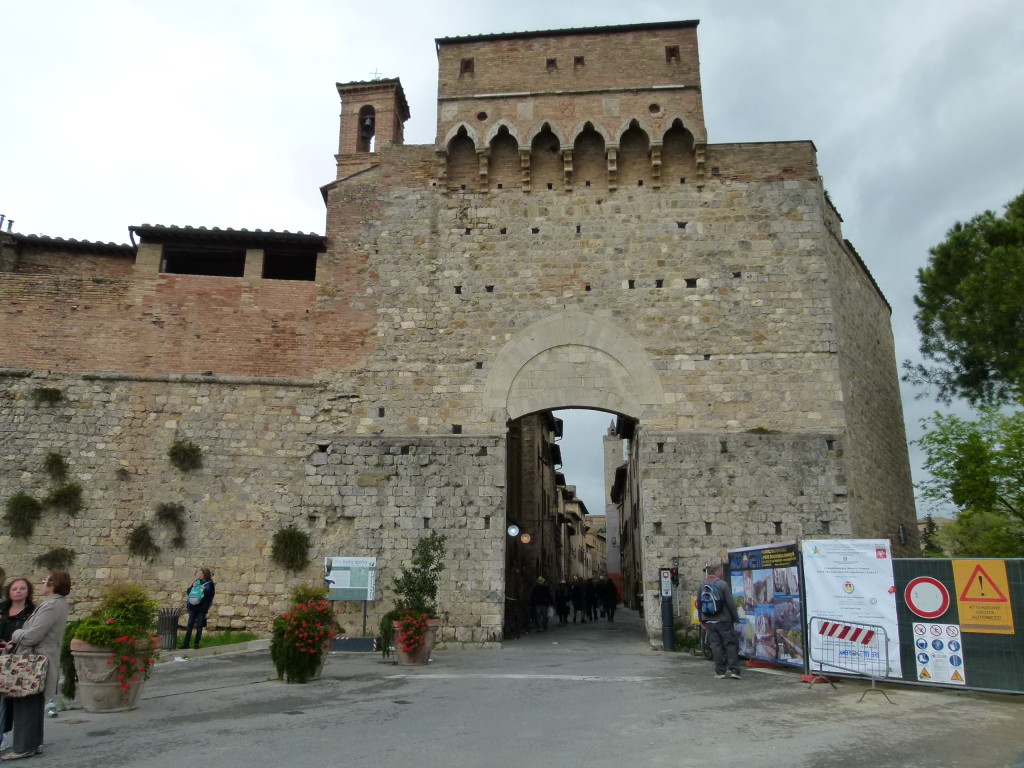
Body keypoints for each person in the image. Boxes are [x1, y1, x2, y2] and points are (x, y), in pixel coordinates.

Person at [3, 570, 71, 760]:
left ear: (53, 585)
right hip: (39, 660)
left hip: (33, 660)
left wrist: (15, 634)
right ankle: (34, 744)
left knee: (25, 702)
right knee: (33, 702)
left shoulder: (51, 606)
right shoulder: (55, 604)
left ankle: (23, 747)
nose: (41, 584)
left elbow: (32, 635)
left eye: (45, 581)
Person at [0, 579, 36, 751]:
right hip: (1, 656)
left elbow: (32, 635)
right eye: (14, 588)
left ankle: (17, 736)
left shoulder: (33, 613)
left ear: (28, 591)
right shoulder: (2, 610)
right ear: (9, 592)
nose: (18, 591)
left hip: (20, 659)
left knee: (15, 699)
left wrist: (13, 644)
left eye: (22, 588)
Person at [697, 564, 742, 679]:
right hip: (724, 620)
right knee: (730, 644)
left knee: (716, 645)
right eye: (721, 571)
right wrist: (736, 618)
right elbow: (731, 603)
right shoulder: (723, 584)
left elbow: (699, 604)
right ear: (717, 572)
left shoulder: (702, 585)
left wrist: (702, 620)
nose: (722, 573)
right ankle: (734, 671)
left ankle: (720, 671)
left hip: (709, 621)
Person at [180, 567, 215, 650]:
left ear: (205, 574)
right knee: (190, 625)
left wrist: (204, 591)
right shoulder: (196, 582)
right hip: (193, 607)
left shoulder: (209, 584)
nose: (199, 575)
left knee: (199, 626)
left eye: (201, 573)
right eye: (198, 573)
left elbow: (210, 595)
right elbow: (188, 592)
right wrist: (193, 587)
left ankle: (196, 643)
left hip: (202, 608)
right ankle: (186, 643)